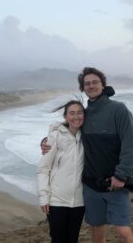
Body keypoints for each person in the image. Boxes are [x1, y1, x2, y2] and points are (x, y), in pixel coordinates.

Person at [42, 67, 133, 243]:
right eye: (87, 83)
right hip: (91, 187)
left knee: (124, 232)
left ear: (103, 85)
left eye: (95, 82)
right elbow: (68, 128)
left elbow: (131, 144)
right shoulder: (85, 115)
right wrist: (46, 141)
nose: (91, 86)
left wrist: (121, 175)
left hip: (115, 184)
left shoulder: (118, 110)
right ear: (83, 88)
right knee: (97, 233)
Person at [37, 100, 86, 243]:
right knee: (58, 239)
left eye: (79, 112)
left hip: (79, 202)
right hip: (56, 201)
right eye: (72, 113)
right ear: (65, 117)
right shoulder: (55, 137)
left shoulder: (88, 137)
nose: (76, 117)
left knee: (72, 240)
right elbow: (43, 169)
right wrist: (43, 197)